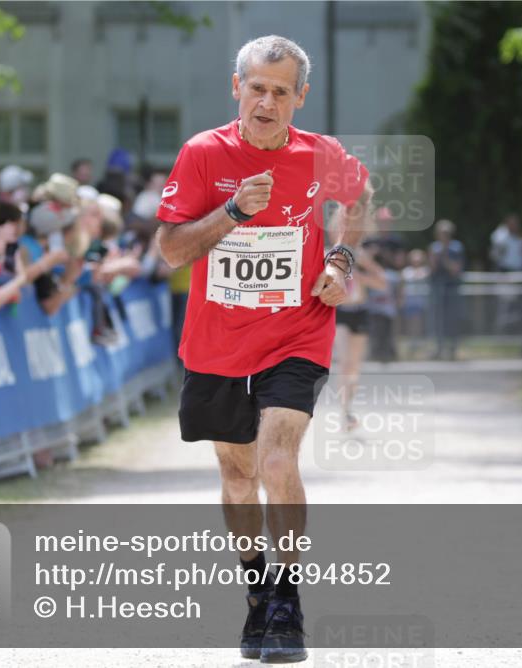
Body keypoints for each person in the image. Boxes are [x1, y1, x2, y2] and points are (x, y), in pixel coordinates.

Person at [154, 35, 371, 664]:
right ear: (236, 88)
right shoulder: (202, 153)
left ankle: (287, 599)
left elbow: (358, 201)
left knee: (278, 461)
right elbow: (171, 250)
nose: (267, 102)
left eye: (281, 91)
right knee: (237, 473)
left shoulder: (318, 153)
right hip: (218, 340)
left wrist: (341, 259)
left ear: (300, 97)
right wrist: (230, 211)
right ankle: (256, 590)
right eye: (257, 88)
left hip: (298, 330)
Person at [334, 244, 387, 430]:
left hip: (359, 313)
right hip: (340, 312)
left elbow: (383, 283)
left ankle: (348, 406)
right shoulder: (333, 254)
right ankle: (344, 412)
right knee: (345, 363)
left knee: (354, 368)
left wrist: (364, 270)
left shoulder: (361, 258)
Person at [428, 219, 465, 360]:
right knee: (437, 319)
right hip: (438, 288)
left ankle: (453, 349)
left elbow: (455, 269)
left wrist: (443, 257)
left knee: (452, 319)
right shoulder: (434, 248)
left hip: (452, 288)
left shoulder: (457, 248)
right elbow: (432, 269)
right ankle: (438, 348)